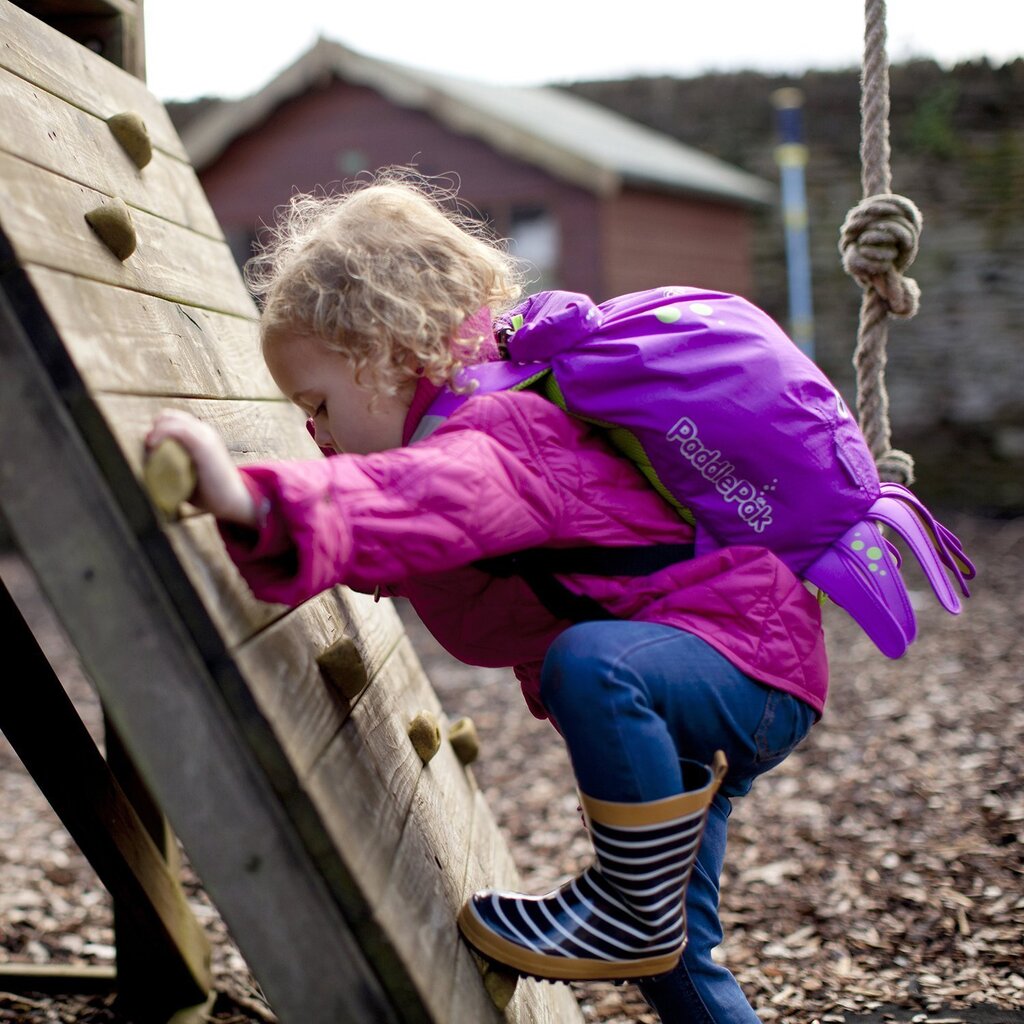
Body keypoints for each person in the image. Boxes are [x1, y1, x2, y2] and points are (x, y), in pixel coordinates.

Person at [145, 170, 824, 1023]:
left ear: (389, 357)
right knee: (674, 953)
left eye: (320, 403)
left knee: (593, 665)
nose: (313, 432)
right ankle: (645, 929)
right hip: (706, 674)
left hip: (730, 666)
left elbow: (420, 501)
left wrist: (250, 498)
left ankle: (628, 912)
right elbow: (413, 535)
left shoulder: (501, 434)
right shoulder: (466, 434)